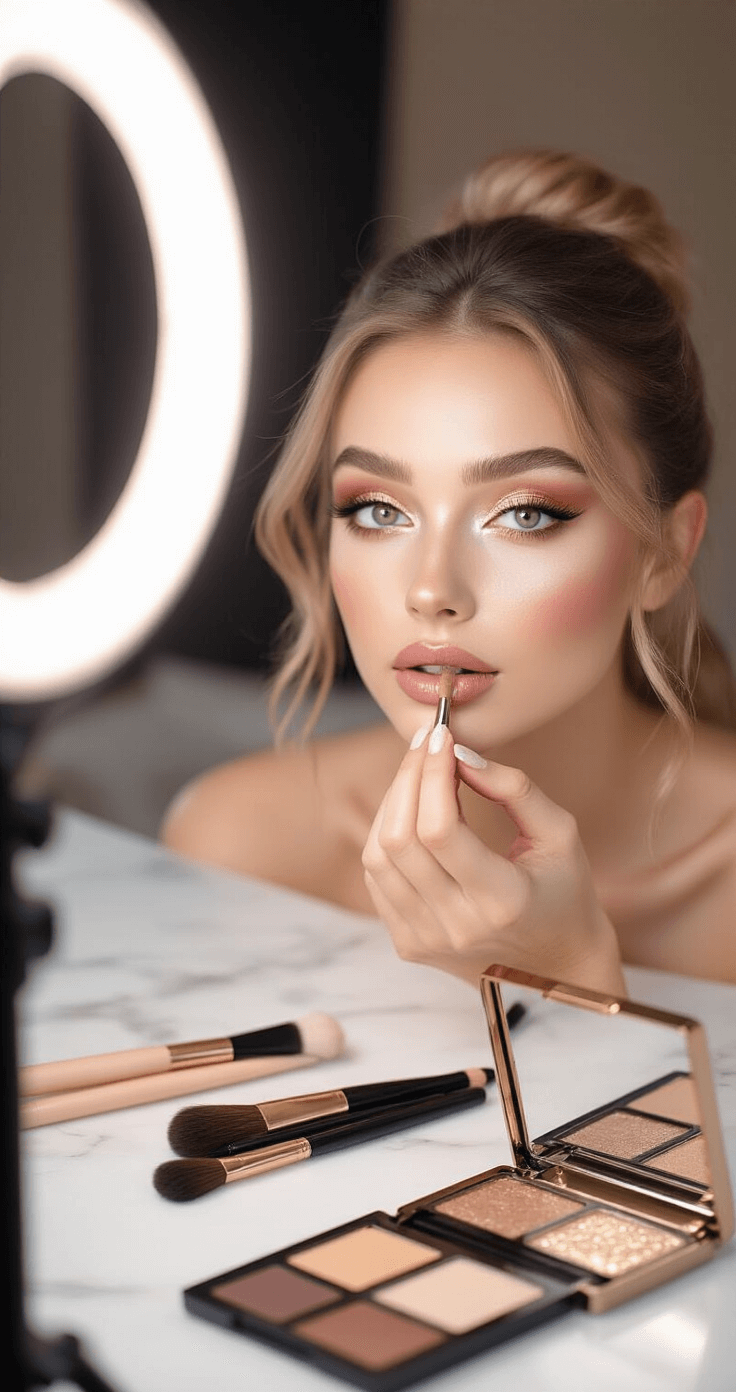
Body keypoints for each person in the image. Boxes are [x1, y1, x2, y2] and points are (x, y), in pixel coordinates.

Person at [161, 150, 736, 991]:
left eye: (526, 514)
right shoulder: (239, 841)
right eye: (378, 510)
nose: (431, 589)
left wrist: (569, 972)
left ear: (664, 552)